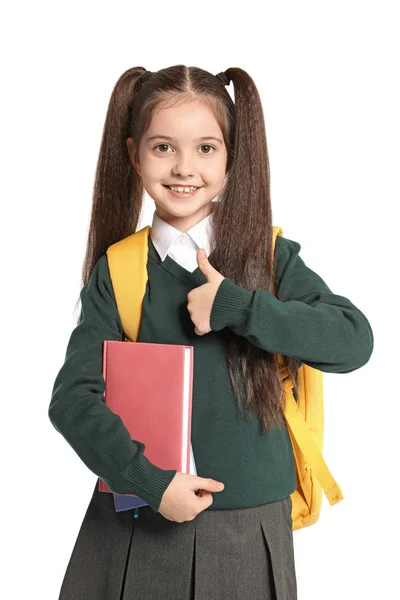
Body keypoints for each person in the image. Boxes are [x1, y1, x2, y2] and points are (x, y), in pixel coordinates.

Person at [48, 65, 374, 600]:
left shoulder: (270, 259)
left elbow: (352, 339)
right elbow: (72, 400)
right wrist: (151, 482)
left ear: (232, 159)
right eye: (161, 147)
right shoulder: (120, 269)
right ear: (133, 155)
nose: (183, 167)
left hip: (249, 528)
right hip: (134, 521)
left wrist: (240, 307)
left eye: (205, 148)